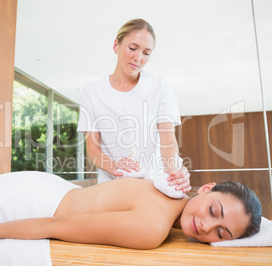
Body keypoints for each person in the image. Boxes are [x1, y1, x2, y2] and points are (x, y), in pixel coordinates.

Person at [0, 172, 262, 250]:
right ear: (206, 189)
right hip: (33, 203)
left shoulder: (167, 186)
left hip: (44, 186)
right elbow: (54, 224)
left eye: (221, 233)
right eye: (214, 210)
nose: (205, 225)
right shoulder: (152, 227)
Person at [77, 18, 190, 192]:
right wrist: (117, 167)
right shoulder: (92, 92)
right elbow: (92, 148)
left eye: (146, 53)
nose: (138, 58)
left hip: (152, 183)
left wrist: (172, 173)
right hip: (111, 185)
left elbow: (168, 140)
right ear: (116, 46)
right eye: (132, 48)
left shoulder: (159, 86)